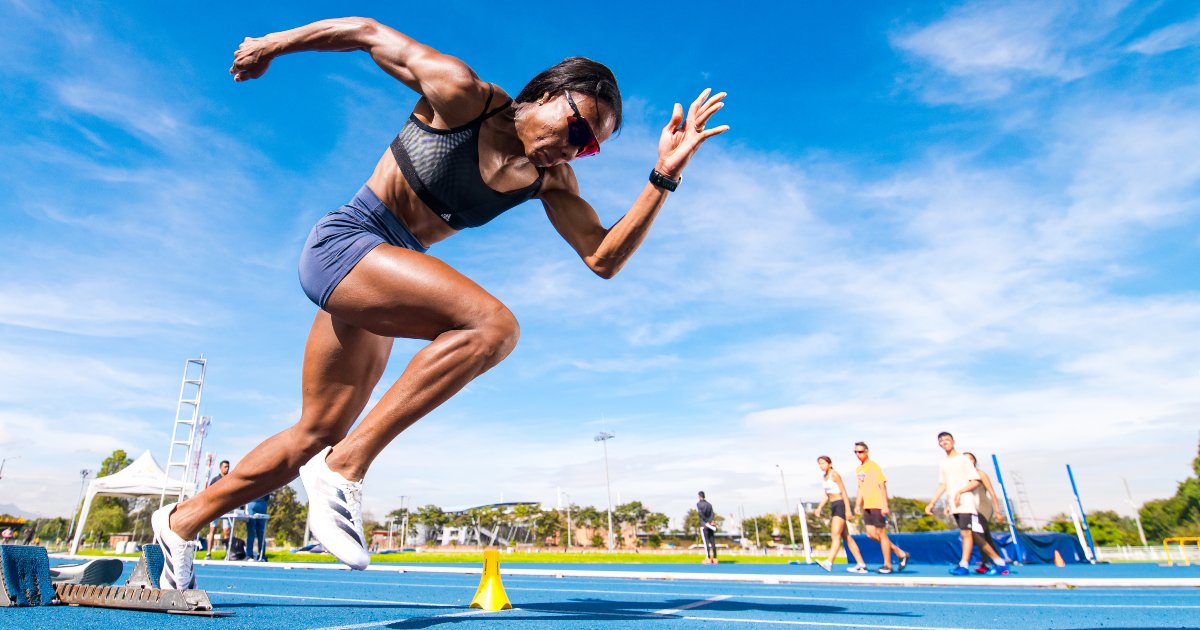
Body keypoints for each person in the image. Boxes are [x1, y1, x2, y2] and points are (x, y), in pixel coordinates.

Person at [151, 16, 728, 591]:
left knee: (317, 430)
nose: (578, 149)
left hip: (384, 275)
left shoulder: (549, 180)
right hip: (349, 242)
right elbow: (366, 32)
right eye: (579, 130)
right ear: (549, 95)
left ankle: (180, 523)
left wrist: (662, 177)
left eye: (593, 147)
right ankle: (343, 470)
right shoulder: (462, 96)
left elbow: (602, 257)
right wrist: (269, 45)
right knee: (493, 327)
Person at [925, 433, 1007, 576]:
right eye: (942, 441)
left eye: (947, 440)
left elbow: (975, 481)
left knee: (966, 534)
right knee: (974, 535)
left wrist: (960, 492)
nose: (945, 443)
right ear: (939, 444)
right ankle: (999, 562)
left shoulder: (964, 460)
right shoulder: (943, 463)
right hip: (955, 504)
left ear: (953, 441)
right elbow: (943, 484)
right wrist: (932, 502)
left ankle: (963, 564)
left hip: (967, 502)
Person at [854, 442, 910, 573]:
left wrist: (885, 504)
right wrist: (858, 504)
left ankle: (888, 565)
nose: (858, 454)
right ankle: (900, 552)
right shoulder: (859, 469)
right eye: (856, 452)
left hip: (877, 504)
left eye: (860, 451)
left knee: (881, 534)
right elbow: (860, 488)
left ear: (867, 452)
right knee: (871, 534)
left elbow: (882, 485)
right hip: (867, 506)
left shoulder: (873, 466)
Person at [815, 456, 868, 573]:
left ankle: (829, 562)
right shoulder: (824, 477)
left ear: (829, 464)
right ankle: (861, 564)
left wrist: (848, 510)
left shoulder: (834, 475)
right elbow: (826, 494)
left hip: (840, 505)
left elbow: (843, 492)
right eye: (819, 464)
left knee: (835, 535)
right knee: (847, 537)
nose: (821, 466)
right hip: (833, 506)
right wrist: (819, 507)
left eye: (823, 463)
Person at [964, 451, 1006, 573]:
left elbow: (992, 493)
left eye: (970, 459)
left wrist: (998, 511)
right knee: (984, 536)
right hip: (971, 507)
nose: (968, 462)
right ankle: (987, 563)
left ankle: (998, 563)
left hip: (983, 507)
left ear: (974, 461)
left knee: (977, 534)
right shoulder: (963, 476)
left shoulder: (980, 474)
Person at [203, 460, 232, 560]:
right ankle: (208, 553)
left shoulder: (230, 479)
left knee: (227, 531)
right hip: (215, 509)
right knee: (212, 530)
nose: (227, 469)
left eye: (228, 467)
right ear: (220, 468)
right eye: (225, 467)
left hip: (226, 509)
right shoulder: (215, 480)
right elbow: (209, 493)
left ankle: (228, 554)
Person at [244, 492, 272, 562]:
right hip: (261, 502)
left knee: (252, 531)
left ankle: (249, 555)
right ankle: (262, 555)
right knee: (260, 532)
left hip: (253, 501)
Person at [696, 491, 718, 564]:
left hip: (704, 525)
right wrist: (710, 522)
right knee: (712, 541)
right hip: (711, 525)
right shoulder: (709, 505)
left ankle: (708, 558)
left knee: (706, 542)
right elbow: (712, 514)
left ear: (699, 496)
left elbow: (701, 515)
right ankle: (715, 558)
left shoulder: (699, 504)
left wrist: (705, 523)